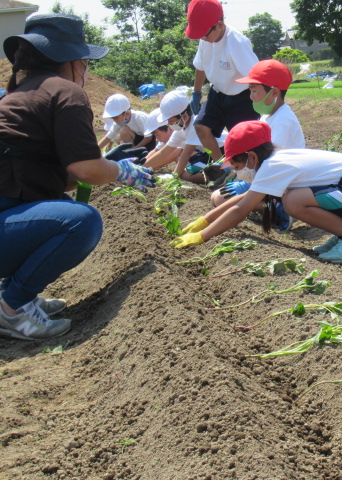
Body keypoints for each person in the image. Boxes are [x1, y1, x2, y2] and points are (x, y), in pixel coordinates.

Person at [0, 13, 155, 341]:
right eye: (84, 61)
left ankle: (18, 294)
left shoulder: (25, 93)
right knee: (81, 221)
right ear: (68, 60)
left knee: (57, 202)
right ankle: (11, 307)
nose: (87, 70)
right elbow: (85, 169)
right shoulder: (64, 92)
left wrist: (107, 168)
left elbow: (59, 176)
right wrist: (120, 170)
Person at [170, 121, 342, 264]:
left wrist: (202, 236)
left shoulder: (273, 166)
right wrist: (203, 221)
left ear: (251, 157)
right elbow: (243, 198)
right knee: (293, 198)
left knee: (293, 201)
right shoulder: (274, 160)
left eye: (236, 166)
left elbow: (240, 210)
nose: (237, 171)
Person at [211, 59, 305, 207]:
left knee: (220, 199)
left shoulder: (283, 121)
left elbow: (271, 163)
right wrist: (231, 167)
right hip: (267, 178)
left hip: (281, 184)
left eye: (254, 90)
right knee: (218, 196)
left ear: (274, 92)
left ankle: (280, 210)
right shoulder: (267, 116)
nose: (251, 96)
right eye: (250, 90)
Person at [185, 0, 260, 162]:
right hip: (217, 92)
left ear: (219, 25)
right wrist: (196, 92)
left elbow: (256, 76)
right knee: (201, 127)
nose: (202, 38)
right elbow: (200, 66)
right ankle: (222, 166)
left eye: (205, 34)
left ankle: (248, 175)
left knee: (243, 145)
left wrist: (260, 100)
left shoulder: (237, 43)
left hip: (242, 97)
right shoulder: (205, 39)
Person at [143, 89, 209, 183]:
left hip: (220, 154)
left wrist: (174, 177)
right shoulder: (180, 131)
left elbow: (185, 154)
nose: (170, 125)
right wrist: (140, 168)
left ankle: (221, 175)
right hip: (208, 156)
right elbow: (163, 152)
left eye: (171, 121)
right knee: (185, 174)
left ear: (185, 117)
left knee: (187, 175)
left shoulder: (195, 125)